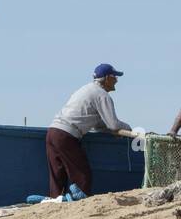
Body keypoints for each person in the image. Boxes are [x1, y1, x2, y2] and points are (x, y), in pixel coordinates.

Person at [47, 63, 133, 200]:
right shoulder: (102, 95)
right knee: (82, 174)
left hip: (52, 132)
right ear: (107, 78)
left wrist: (110, 130)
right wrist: (129, 129)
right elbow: (113, 124)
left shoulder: (86, 89)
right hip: (67, 135)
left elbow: (98, 125)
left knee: (58, 174)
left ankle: (56, 199)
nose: (117, 80)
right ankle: (81, 201)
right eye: (115, 77)